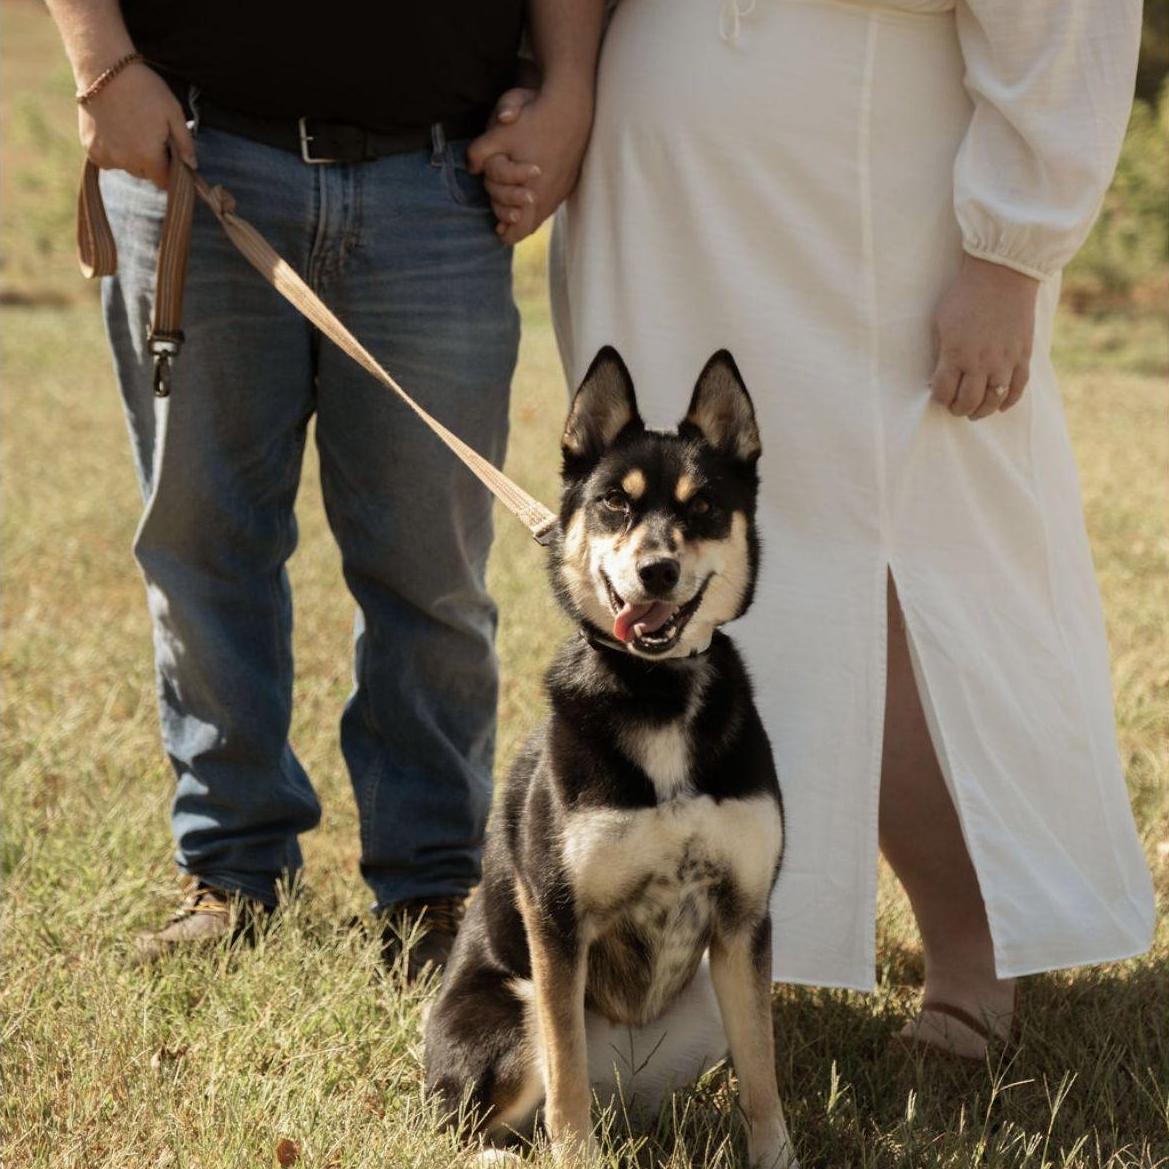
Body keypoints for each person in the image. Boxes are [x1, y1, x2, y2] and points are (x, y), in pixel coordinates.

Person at [481, 0, 1156, 1057]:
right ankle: (704, 946)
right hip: (658, 202)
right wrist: (558, 84)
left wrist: (1009, 253)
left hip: (861, 208)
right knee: (675, 568)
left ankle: (970, 955)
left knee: (883, 569)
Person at [45, 0, 599, 977]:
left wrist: (569, 90)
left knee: (430, 571)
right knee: (204, 548)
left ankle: (431, 886)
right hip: (192, 154)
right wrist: (101, 67)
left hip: (439, 181)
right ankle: (231, 869)